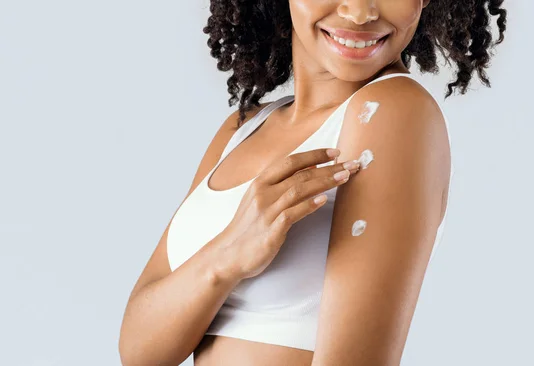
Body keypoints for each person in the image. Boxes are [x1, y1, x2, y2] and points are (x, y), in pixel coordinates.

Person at [119, 0, 507, 365]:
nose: (359, 12)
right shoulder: (243, 130)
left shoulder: (392, 111)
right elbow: (140, 348)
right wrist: (228, 257)